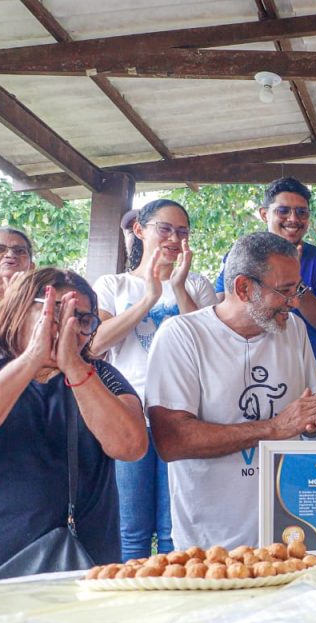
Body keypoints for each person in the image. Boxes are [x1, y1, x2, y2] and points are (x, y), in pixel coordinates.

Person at [145, 232, 316, 550]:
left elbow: (305, 429)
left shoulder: (293, 329)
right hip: (211, 546)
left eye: (298, 290)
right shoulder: (182, 335)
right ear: (243, 287)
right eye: (285, 291)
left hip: (287, 538)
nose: (294, 303)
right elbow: (172, 441)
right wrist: (276, 427)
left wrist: (315, 422)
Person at [0, 269, 147, 580]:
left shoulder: (100, 376)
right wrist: (30, 360)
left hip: (82, 567)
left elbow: (131, 446)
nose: (71, 327)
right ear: (20, 308)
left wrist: (74, 367)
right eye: (57, 312)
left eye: (83, 320)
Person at [91, 199, 217, 561]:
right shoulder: (112, 285)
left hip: (183, 417)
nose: (174, 238)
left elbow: (210, 348)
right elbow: (96, 344)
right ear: (139, 230)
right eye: (165, 228)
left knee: (173, 530)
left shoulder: (197, 285)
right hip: (130, 417)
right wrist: (149, 296)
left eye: (182, 232)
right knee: (130, 530)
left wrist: (177, 288)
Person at [214, 177, 316, 386]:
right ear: (264, 214)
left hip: (306, 376)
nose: (293, 219)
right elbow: (219, 309)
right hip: (245, 373)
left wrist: (294, 281)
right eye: (283, 211)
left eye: (302, 212)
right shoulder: (240, 254)